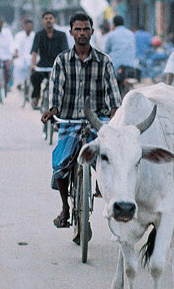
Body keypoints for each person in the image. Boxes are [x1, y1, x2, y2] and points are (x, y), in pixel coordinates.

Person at [41, 13, 121, 238]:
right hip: (70, 120)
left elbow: (114, 94)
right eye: (78, 29)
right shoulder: (62, 60)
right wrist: (53, 109)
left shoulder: (104, 61)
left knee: (112, 163)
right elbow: (56, 90)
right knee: (59, 164)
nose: (82, 33)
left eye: (86, 29)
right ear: (71, 32)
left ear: (92, 32)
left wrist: (116, 116)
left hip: (99, 121)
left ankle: (110, 201)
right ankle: (66, 209)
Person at [30, 11, 69, 109]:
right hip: (42, 65)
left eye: (50, 18)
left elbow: (65, 52)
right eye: (46, 18)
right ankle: (36, 96)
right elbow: (34, 51)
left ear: (55, 20)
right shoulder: (39, 35)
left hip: (57, 65)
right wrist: (33, 64)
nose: (48, 20)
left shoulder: (61, 35)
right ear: (42, 21)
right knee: (34, 76)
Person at [103, 14, 137, 90]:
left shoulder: (111, 35)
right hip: (131, 67)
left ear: (114, 24)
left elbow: (106, 52)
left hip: (116, 68)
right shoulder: (131, 34)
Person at [12, 18, 35, 91]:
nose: (29, 28)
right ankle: (20, 83)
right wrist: (16, 54)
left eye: (30, 26)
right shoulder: (19, 35)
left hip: (32, 57)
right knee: (18, 67)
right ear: (24, 26)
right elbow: (16, 46)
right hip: (21, 57)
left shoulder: (35, 36)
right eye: (27, 26)